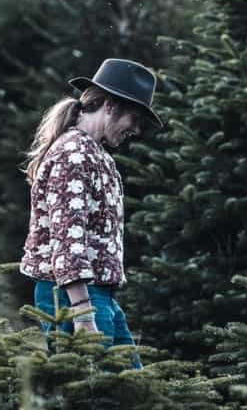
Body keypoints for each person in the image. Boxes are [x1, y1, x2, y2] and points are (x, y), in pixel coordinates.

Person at [19, 58, 163, 364]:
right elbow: (68, 240)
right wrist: (83, 313)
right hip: (73, 296)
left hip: (98, 294)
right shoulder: (73, 154)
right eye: (134, 118)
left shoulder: (95, 154)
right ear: (110, 106)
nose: (135, 130)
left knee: (131, 390)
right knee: (96, 395)